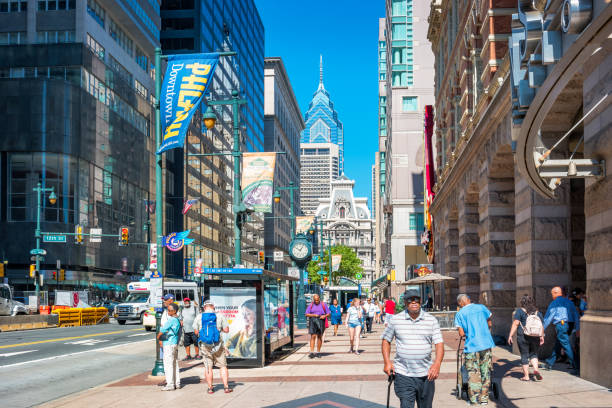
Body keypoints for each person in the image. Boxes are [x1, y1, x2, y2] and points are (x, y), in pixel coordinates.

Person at [382, 289, 444, 408]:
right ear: (405, 302)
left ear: (420, 301)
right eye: (410, 300)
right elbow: (386, 340)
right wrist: (387, 362)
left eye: (416, 299)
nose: (414, 302)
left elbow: (439, 344)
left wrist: (437, 364)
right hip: (403, 374)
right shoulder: (396, 320)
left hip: (426, 375)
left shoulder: (431, 320)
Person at [455, 294, 495, 406]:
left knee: (473, 373)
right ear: (468, 300)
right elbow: (490, 323)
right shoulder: (482, 307)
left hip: (472, 346)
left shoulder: (460, 314)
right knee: (486, 371)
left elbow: (461, 333)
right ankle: (484, 399)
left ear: (461, 303)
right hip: (486, 344)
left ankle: (474, 399)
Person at [193, 300, 232, 394]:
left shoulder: (199, 316)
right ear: (213, 307)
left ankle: (210, 388)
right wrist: (219, 330)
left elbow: (196, 332)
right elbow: (226, 330)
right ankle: (226, 387)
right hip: (218, 345)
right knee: (222, 366)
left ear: (204, 307)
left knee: (208, 367)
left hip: (205, 346)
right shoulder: (220, 315)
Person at [507, 295, 545, 381]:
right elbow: (541, 326)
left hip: (523, 336)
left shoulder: (519, 311)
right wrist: (542, 336)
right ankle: (536, 371)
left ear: (522, 302)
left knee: (524, 355)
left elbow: (515, 324)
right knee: (534, 354)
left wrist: (510, 335)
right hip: (535, 336)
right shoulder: (537, 313)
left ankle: (526, 376)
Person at [543, 286, 580, 373]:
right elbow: (576, 315)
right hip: (570, 325)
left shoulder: (555, 303)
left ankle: (576, 365)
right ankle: (549, 362)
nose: (552, 296)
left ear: (556, 293)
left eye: (552, 294)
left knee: (565, 344)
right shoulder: (569, 302)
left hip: (561, 324)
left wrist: (542, 328)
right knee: (559, 343)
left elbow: (548, 317)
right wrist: (578, 328)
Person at [157, 303, 181, 391]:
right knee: (175, 363)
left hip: (168, 343)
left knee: (168, 364)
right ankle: (177, 382)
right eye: (168, 310)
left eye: (170, 310)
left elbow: (163, 329)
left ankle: (170, 384)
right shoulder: (177, 319)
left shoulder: (171, 320)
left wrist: (158, 336)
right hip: (174, 343)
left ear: (174, 311)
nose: (168, 311)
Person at [305, 294, 330, 358]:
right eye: (315, 300)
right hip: (313, 320)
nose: (316, 301)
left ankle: (318, 352)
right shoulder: (311, 305)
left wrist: (324, 316)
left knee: (319, 336)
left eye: (317, 300)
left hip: (321, 320)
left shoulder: (323, 304)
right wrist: (313, 315)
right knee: (313, 336)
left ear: (319, 298)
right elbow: (306, 314)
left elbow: (329, 313)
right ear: (313, 299)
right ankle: (312, 352)